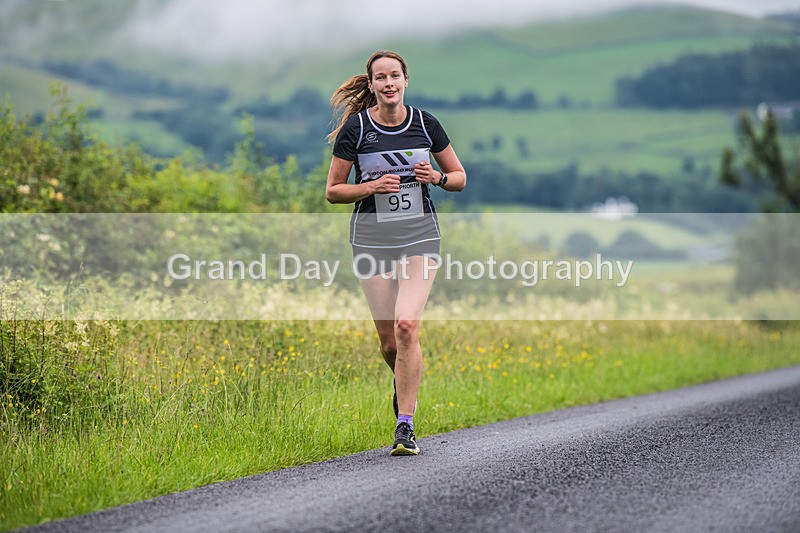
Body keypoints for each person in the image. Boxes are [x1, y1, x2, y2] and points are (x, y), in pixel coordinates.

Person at [326, 50, 466, 456]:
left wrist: (436, 177)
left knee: (407, 326)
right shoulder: (357, 129)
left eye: (395, 76)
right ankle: (404, 378)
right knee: (390, 344)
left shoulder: (425, 124)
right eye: (380, 78)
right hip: (370, 239)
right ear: (371, 86)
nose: (389, 83)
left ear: (406, 81)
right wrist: (371, 187)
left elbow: (459, 177)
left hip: (419, 236)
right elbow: (334, 191)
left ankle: (405, 424)